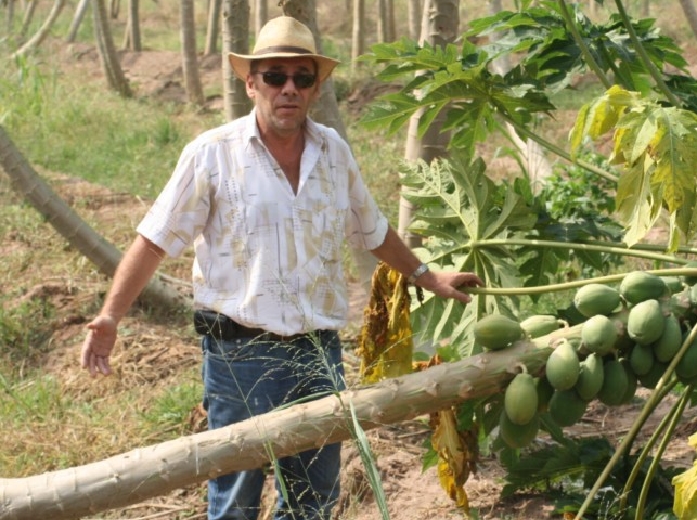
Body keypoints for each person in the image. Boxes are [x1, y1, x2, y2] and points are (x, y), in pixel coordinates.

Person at [78, 15, 481, 520]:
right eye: (274, 76)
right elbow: (155, 239)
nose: (288, 88)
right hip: (240, 356)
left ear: (316, 87)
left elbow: (372, 229)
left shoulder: (334, 152)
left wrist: (427, 276)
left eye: (302, 77)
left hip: (319, 354)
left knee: (314, 501)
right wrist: (112, 316)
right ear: (250, 84)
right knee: (236, 503)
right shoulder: (212, 154)